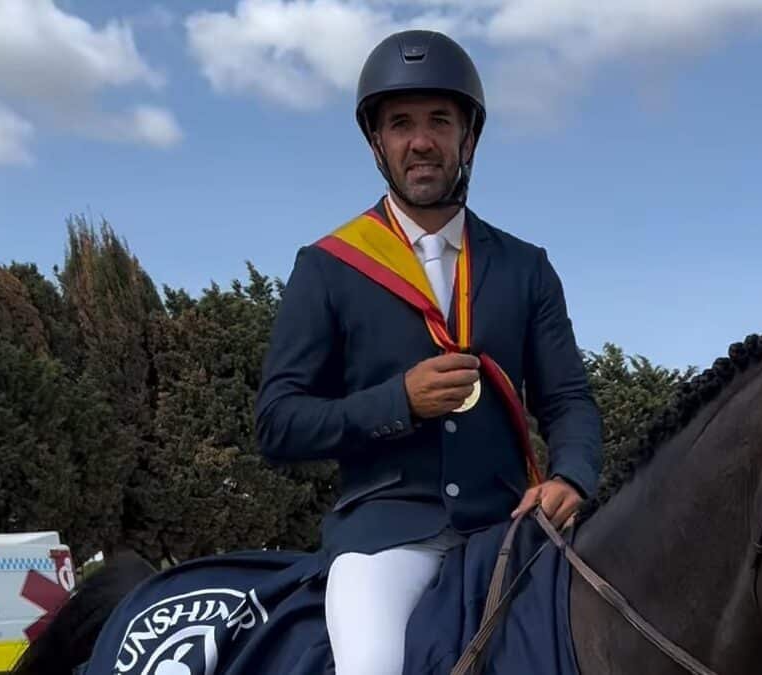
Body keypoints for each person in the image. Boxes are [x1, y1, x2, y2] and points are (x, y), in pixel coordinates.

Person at [255, 29, 602, 675]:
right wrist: (398, 401)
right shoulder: (329, 266)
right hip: (385, 537)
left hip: (511, 529)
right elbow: (278, 422)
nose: (421, 140)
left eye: (439, 120)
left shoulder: (527, 268)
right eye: (401, 124)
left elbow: (569, 400)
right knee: (374, 666)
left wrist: (572, 475)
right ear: (377, 143)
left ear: (467, 137)